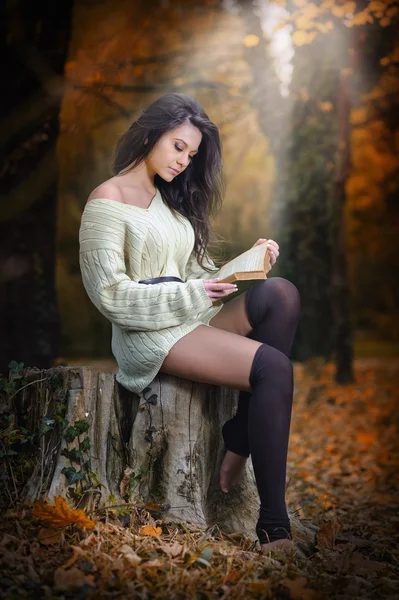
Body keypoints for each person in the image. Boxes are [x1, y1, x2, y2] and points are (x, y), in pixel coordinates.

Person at [79, 92, 301, 555]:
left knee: (280, 293)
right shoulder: (106, 200)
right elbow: (110, 296)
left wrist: (243, 264)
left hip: (190, 316)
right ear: (150, 134)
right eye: (179, 146)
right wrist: (194, 293)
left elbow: (195, 276)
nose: (185, 161)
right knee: (274, 369)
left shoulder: (168, 202)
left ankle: (240, 432)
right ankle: (273, 529)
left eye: (192, 154)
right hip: (150, 336)